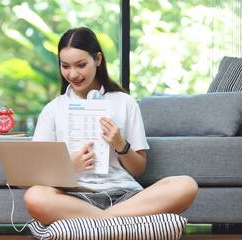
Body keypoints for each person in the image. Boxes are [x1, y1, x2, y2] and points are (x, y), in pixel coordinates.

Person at [23, 27, 198, 226]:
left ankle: (96, 223)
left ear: (97, 59)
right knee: (34, 196)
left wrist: (120, 144)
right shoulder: (53, 109)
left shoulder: (125, 102)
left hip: (125, 197)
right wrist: (68, 166)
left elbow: (138, 169)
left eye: (81, 65)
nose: (73, 74)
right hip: (75, 199)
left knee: (186, 185)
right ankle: (115, 223)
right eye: (65, 66)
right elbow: (38, 174)